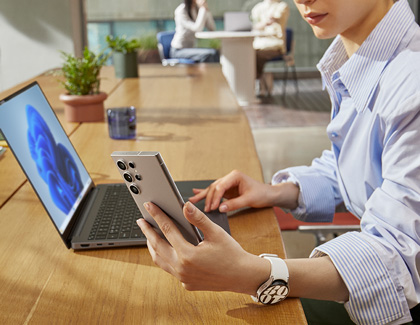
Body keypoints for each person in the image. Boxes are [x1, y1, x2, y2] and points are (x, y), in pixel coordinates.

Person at [137, 0, 420, 323]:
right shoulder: (358, 60)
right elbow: (359, 165)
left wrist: (254, 273)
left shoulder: (411, 84)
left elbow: (400, 257)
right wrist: (277, 191)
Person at [251, 0, 290, 96]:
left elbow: (273, 19)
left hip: (275, 45)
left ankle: (254, 81)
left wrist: (263, 23)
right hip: (258, 45)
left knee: (255, 56)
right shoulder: (258, 7)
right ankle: (255, 82)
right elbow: (255, 26)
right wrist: (264, 23)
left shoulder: (282, 6)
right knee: (247, 54)